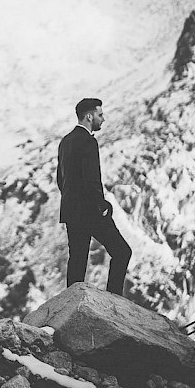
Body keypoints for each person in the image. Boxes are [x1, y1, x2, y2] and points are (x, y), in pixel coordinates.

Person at [56, 98, 131, 295]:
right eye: (100, 115)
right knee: (122, 252)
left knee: (78, 259)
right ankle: (114, 298)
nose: (103, 119)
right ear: (89, 116)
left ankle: (70, 302)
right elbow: (91, 179)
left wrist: (72, 201)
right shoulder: (89, 142)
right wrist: (102, 204)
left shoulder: (65, 141)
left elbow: (60, 180)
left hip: (71, 211)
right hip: (90, 211)